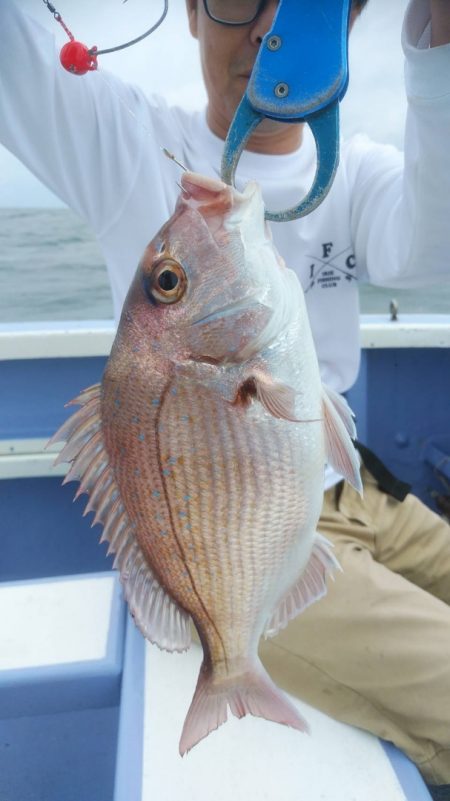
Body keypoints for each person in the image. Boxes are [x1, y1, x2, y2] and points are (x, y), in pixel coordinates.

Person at [1, 0, 450, 796]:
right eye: (239, 0)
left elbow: (433, 246)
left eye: (303, 6)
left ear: (344, 25)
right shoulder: (124, 144)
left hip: (362, 489)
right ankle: (235, 659)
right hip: (254, 549)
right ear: (190, 13)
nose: (267, 30)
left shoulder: (357, 172)